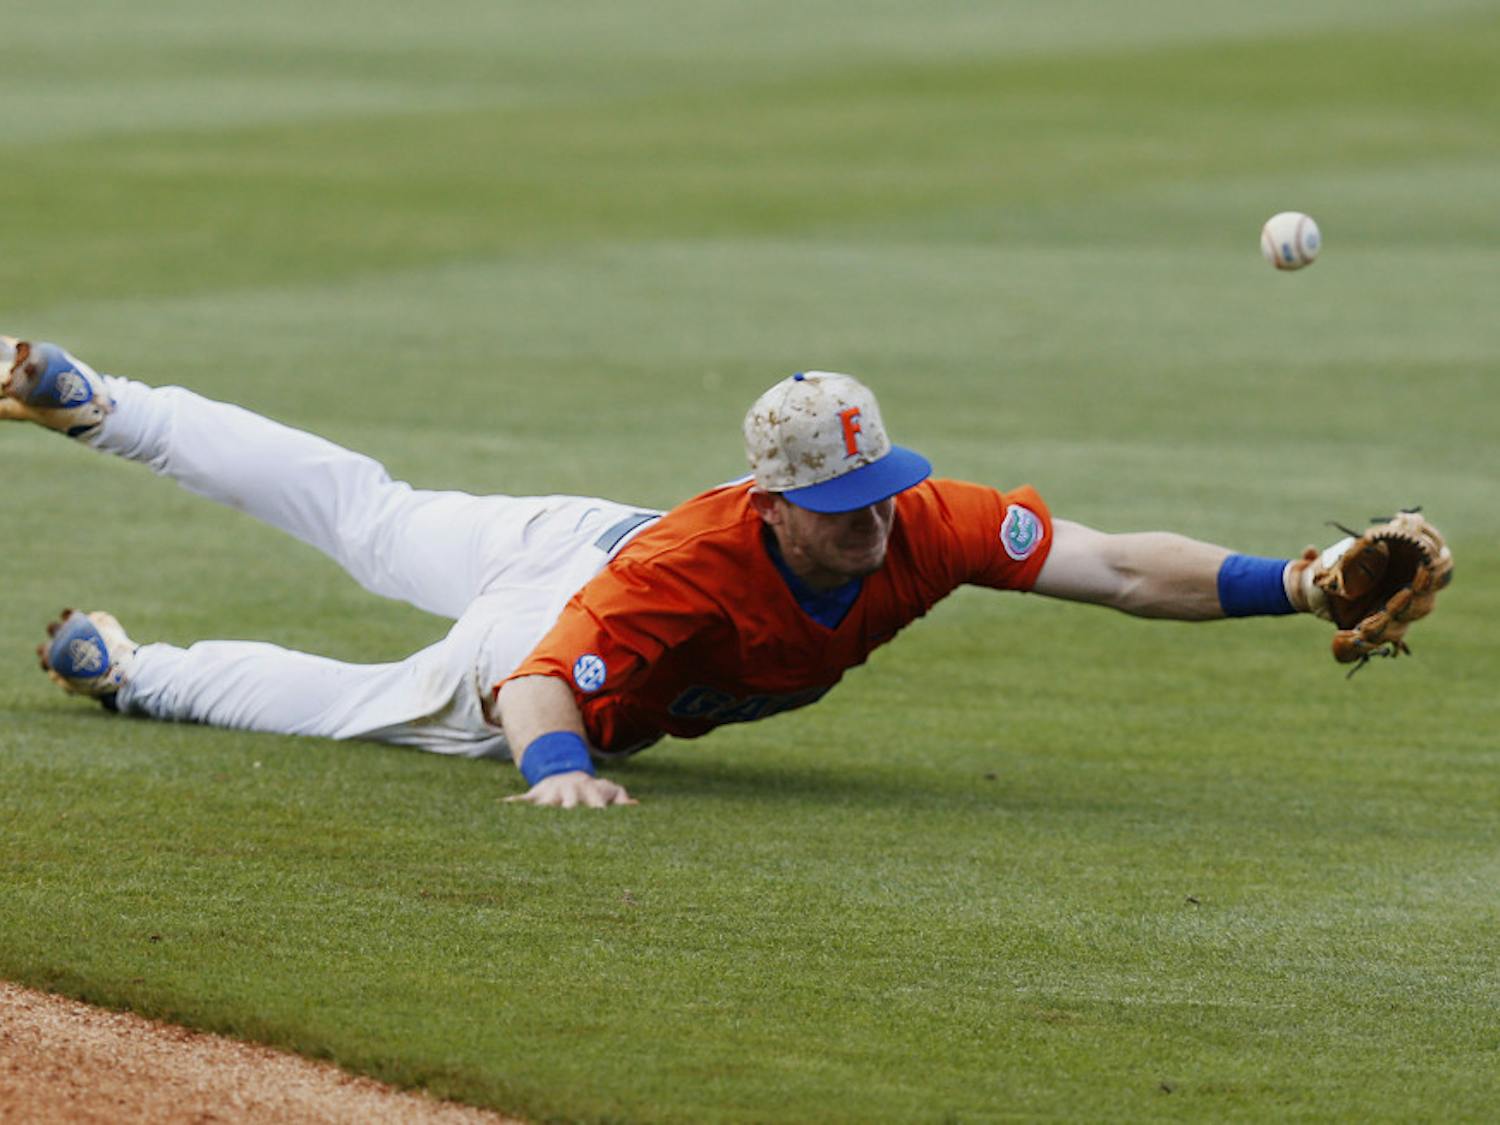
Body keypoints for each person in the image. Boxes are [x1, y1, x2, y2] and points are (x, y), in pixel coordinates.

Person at [2, 335, 1349, 809]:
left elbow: (1113, 565)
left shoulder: (920, 514)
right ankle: (138, 671)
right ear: (775, 500)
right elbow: (539, 680)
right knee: (378, 700)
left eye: (880, 493)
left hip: (582, 529)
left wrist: (1294, 582)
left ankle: (99, 400)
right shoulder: (696, 575)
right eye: (842, 507)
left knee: (374, 510)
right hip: (570, 602)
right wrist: (557, 770)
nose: (876, 525)